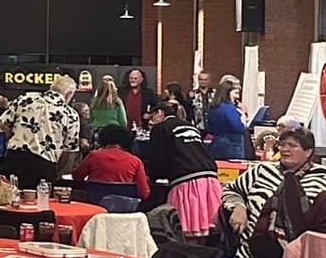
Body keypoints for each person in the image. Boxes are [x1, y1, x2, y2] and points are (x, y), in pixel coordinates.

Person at [223, 126, 326, 258]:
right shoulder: (262, 171)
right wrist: (238, 207)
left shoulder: (325, 176)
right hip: (260, 242)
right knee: (262, 247)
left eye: (292, 145)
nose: (284, 149)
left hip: (305, 245)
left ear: (308, 152)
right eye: (282, 145)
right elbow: (231, 190)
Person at [143, 98, 222, 234]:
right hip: (211, 181)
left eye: (152, 116)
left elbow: (158, 158)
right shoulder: (190, 126)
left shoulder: (160, 128)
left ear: (160, 113)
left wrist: (153, 176)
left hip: (186, 183)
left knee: (184, 230)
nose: (151, 121)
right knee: (209, 229)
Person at [0, 76, 81, 188]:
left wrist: (12, 136)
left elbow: (2, 124)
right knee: (41, 203)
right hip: (45, 165)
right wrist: (56, 172)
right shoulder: (70, 114)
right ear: (68, 94)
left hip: (15, 159)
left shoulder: (25, 99)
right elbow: (68, 150)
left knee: (9, 200)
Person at [71, 124, 150, 201]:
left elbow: (77, 177)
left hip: (93, 204)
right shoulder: (136, 162)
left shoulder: (93, 156)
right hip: (123, 208)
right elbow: (144, 194)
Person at [205, 82, 248, 160]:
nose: (238, 96)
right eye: (236, 93)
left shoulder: (213, 107)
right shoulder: (229, 109)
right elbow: (239, 128)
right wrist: (243, 117)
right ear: (228, 93)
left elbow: (209, 128)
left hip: (216, 143)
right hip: (232, 147)